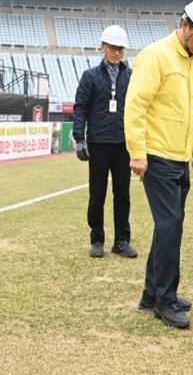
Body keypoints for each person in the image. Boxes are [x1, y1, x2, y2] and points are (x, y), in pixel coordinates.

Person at [125, 0, 193, 328]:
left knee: (169, 227)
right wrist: (137, 153)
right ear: (185, 25)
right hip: (157, 157)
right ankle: (165, 301)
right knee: (170, 226)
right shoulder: (155, 55)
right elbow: (136, 105)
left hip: (181, 159)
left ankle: (152, 293)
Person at [73, 25, 137, 259]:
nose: (117, 53)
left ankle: (122, 241)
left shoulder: (131, 76)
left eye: (120, 49)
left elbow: (138, 108)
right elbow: (81, 108)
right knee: (97, 194)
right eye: (112, 48)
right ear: (103, 47)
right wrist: (79, 138)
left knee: (123, 195)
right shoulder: (89, 76)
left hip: (122, 144)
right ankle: (97, 239)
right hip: (98, 143)